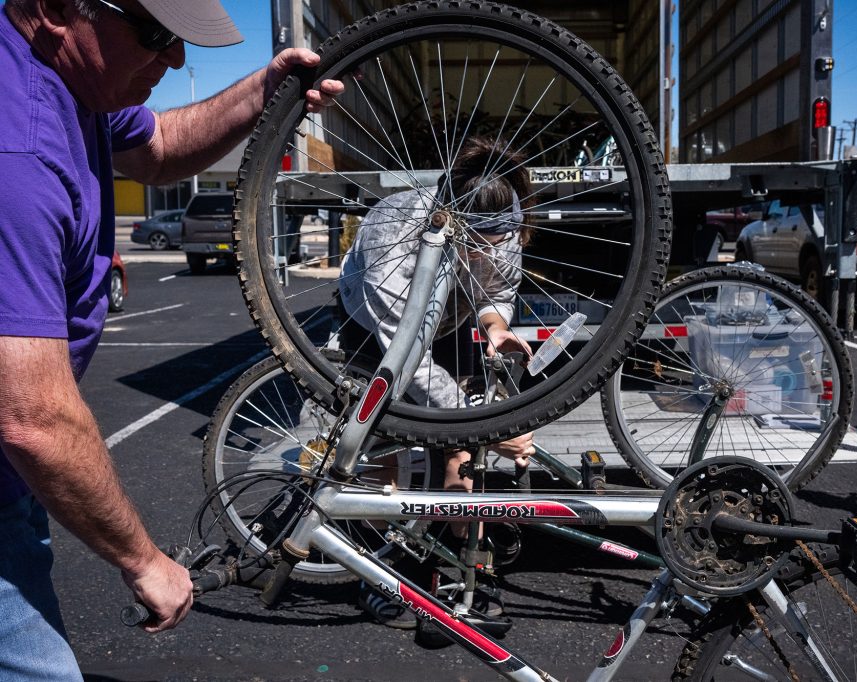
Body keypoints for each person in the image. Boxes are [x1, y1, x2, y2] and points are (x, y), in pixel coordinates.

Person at [0, 0, 343, 677]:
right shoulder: (17, 156)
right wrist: (144, 561)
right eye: (157, 34)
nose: (177, 59)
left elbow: (156, 149)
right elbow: (32, 420)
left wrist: (262, 90)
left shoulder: (74, 84)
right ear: (56, 9)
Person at [338, 136, 536, 627]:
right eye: (481, 240)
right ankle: (378, 574)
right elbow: (404, 355)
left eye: (501, 238)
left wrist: (495, 328)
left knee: (459, 455)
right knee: (380, 455)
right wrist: (485, 424)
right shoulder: (395, 229)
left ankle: (455, 576)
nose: (493, 248)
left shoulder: (502, 216)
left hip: (447, 320)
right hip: (375, 329)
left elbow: (498, 287)